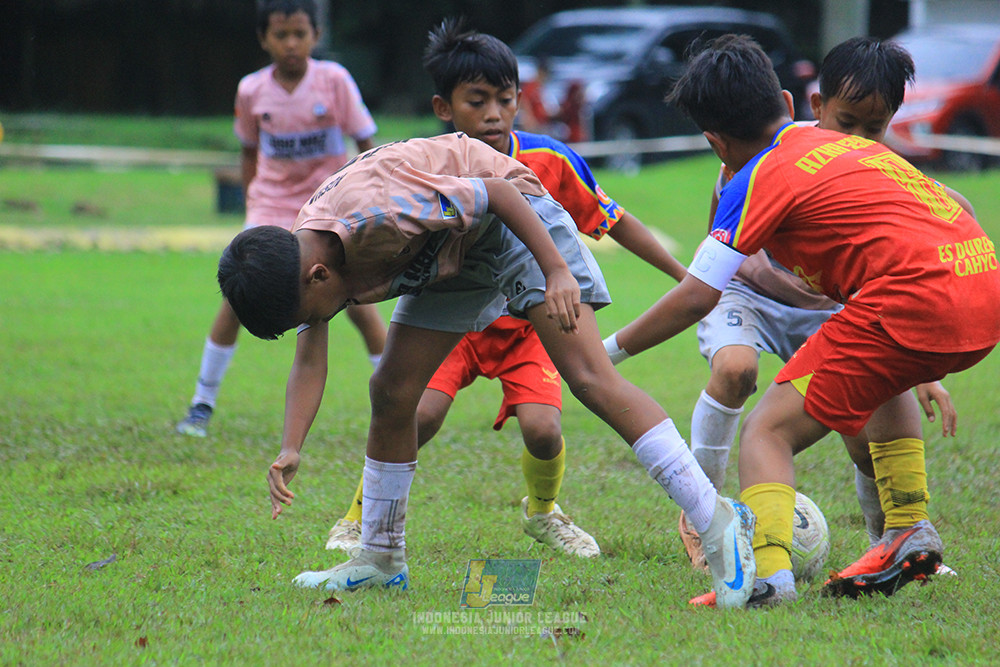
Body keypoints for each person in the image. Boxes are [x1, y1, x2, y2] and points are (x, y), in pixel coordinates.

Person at [217, 130, 757, 607]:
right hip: (453, 247)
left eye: (306, 315)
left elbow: (496, 194)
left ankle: (717, 523)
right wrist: (291, 447)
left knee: (591, 379)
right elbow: (310, 353)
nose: (312, 322)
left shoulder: (380, 215)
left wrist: (555, 270)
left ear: (315, 276)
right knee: (392, 391)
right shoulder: (300, 259)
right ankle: (380, 561)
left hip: (516, 219)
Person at [603, 34, 1000, 607]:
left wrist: (607, 352)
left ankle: (768, 581)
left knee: (768, 432)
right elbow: (956, 206)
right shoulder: (861, 149)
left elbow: (695, 297)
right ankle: (907, 528)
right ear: (791, 107)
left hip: (910, 300)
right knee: (884, 381)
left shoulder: (757, 175)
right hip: (981, 286)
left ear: (716, 143)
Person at [323, 20, 688, 559]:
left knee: (543, 430)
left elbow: (615, 220)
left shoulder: (551, 161)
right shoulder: (425, 166)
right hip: (451, 325)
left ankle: (544, 514)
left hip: (530, 327)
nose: (493, 113)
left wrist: (686, 278)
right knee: (415, 413)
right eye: (477, 101)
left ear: (519, 100)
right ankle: (359, 518)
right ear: (444, 106)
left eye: (504, 99)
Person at [176, 0, 387, 437]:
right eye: (281, 35)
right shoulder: (252, 90)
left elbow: (366, 144)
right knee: (236, 298)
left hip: (328, 207)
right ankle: (201, 403)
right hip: (271, 208)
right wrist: (254, 206)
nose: (291, 44)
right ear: (263, 39)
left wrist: (367, 202)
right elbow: (250, 152)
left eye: (300, 33)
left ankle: (400, 395)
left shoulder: (333, 81)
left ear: (316, 35)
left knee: (355, 301)